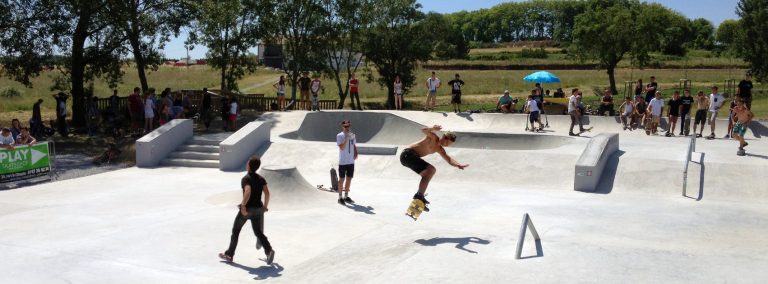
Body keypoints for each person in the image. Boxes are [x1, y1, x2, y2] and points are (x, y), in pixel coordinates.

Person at [218, 156, 275, 265]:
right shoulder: (261, 179)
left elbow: (248, 191)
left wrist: (243, 205)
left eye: (247, 162)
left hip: (247, 210)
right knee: (258, 232)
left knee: (236, 231)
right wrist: (265, 207)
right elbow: (267, 193)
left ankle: (229, 254)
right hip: (258, 209)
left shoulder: (246, 178)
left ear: (249, 165)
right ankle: (269, 250)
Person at [400, 125, 467, 209]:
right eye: (447, 143)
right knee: (431, 170)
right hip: (408, 154)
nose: (446, 145)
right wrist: (433, 129)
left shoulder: (440, 149)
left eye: (449, 145)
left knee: (427, 174)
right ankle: (419, 196)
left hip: (410, 158)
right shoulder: (433, 137)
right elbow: (424, 130)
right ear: (444, 137)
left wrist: (458, 164)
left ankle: (419, 197)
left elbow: (449, 159)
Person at [336, 120, 358, 204]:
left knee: (349, 179)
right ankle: (340, 197)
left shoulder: (353, 135)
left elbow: (354, 145)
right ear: (342, 127)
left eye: (348, 126)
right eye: (345, 126)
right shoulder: (339, 135)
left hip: (351, 162)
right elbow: (342, 147)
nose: (347, 128)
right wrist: (346, 138)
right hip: (343, 162)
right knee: (341, 179)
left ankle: (346, 196)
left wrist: (355, 153)